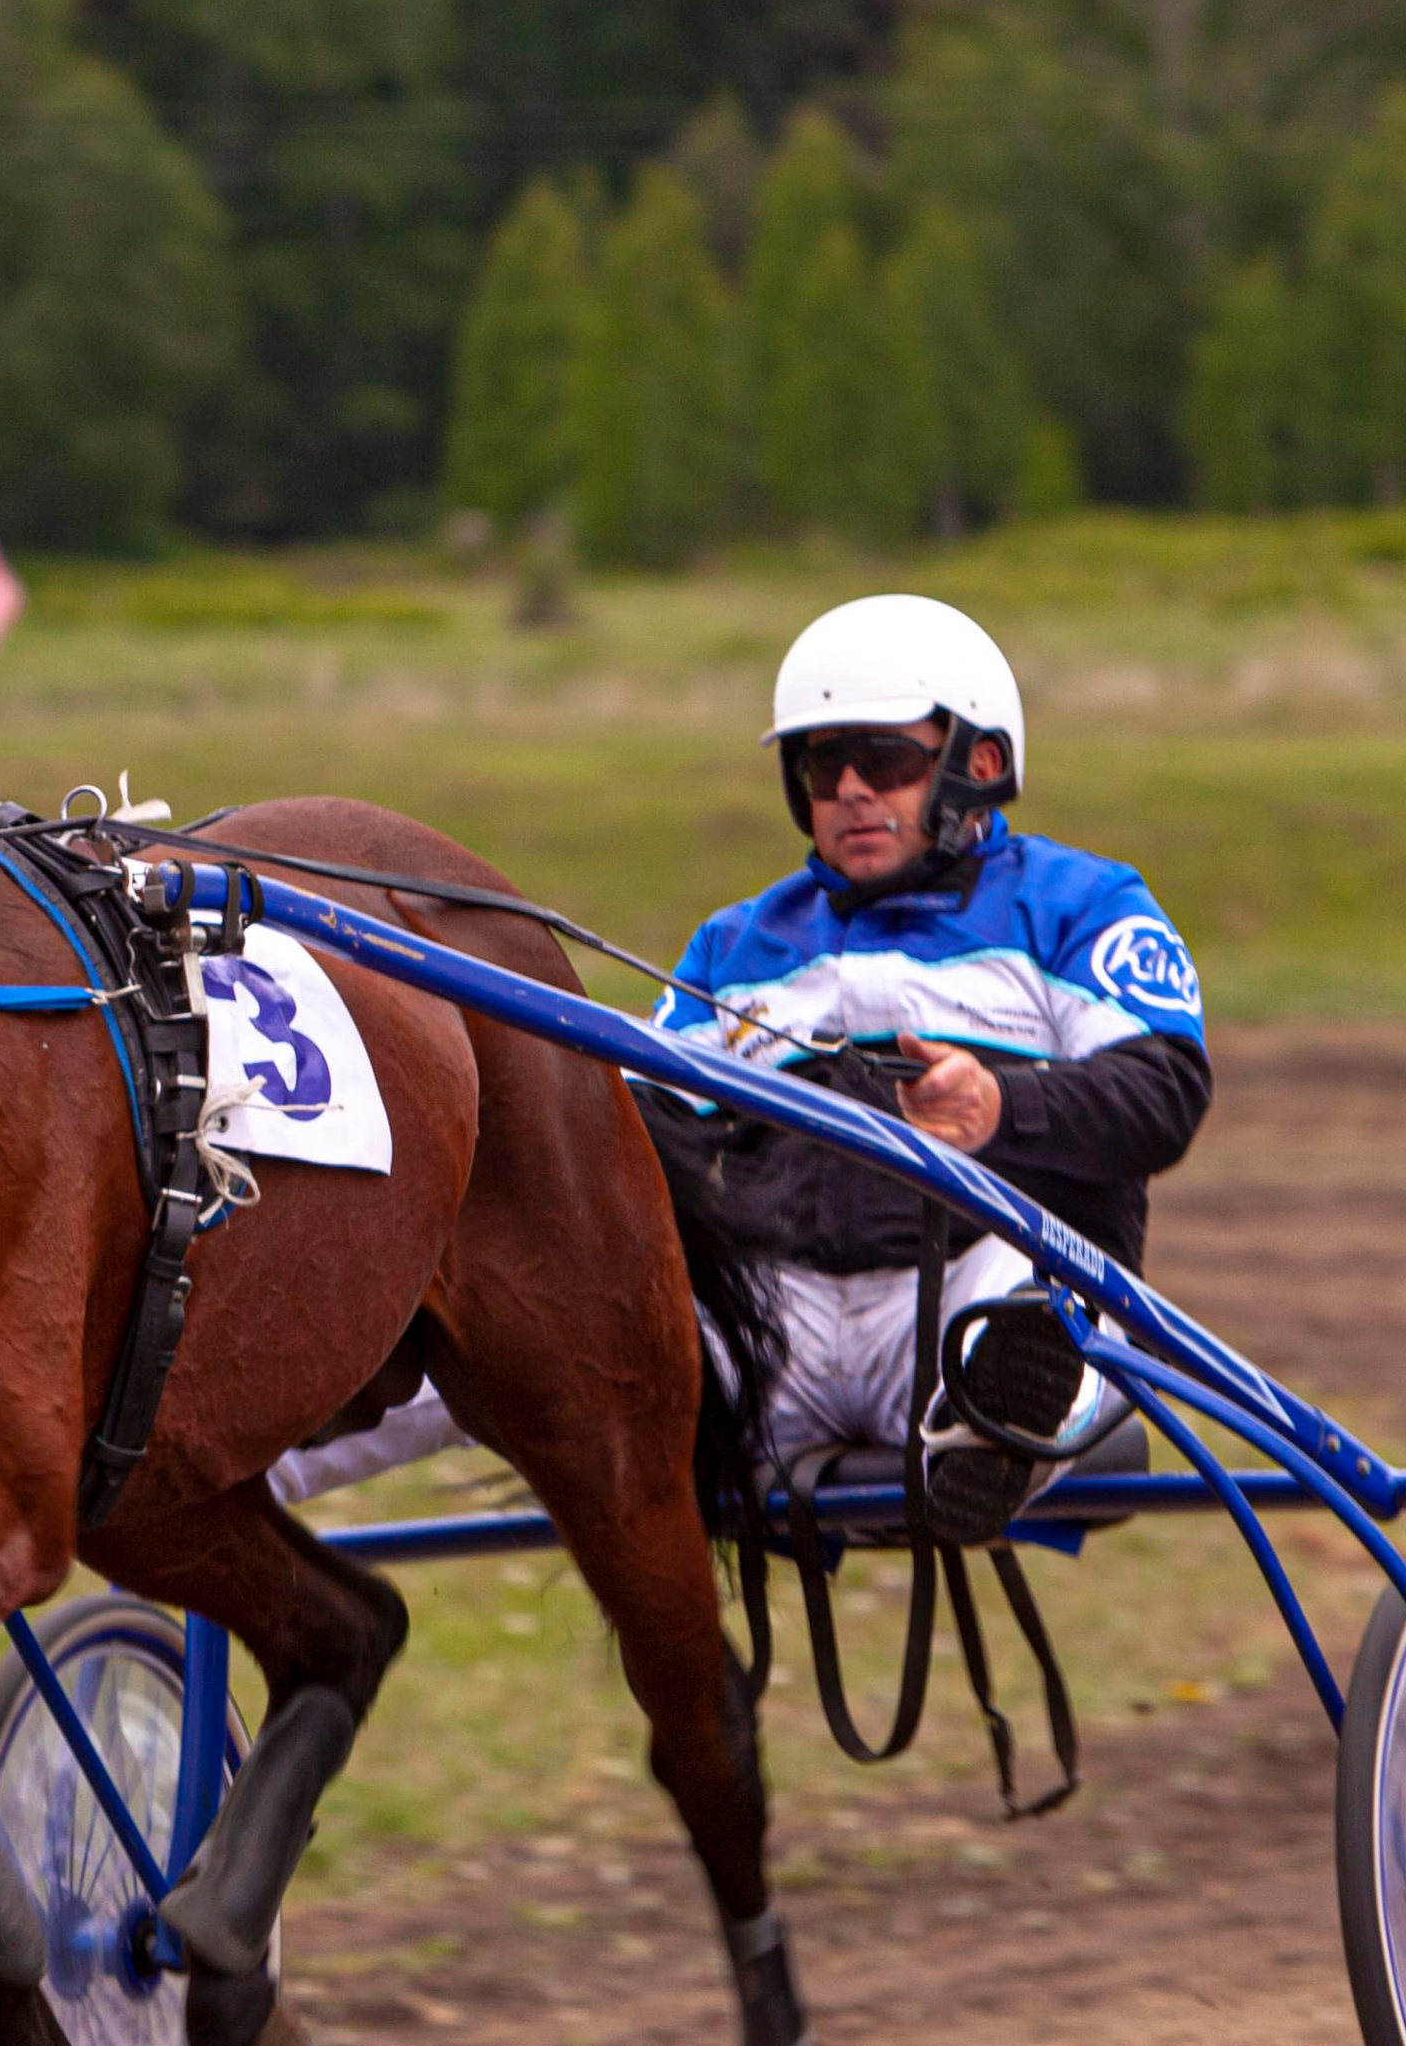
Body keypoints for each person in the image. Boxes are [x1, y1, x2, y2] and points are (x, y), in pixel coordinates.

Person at [271, 592, 1212, 1546]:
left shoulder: (1081, 904)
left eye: (882, 761)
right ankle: (241, 1460)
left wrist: (999, 1104)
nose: (848, 790)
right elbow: (633, 1137)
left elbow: (1166, 1091)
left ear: (979, 764)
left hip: (975, 1288)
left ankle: (999, 1423)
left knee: (1023, 1320)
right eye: (820, 763)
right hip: (774, 1331)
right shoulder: (736, 944)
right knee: (513, 1311)